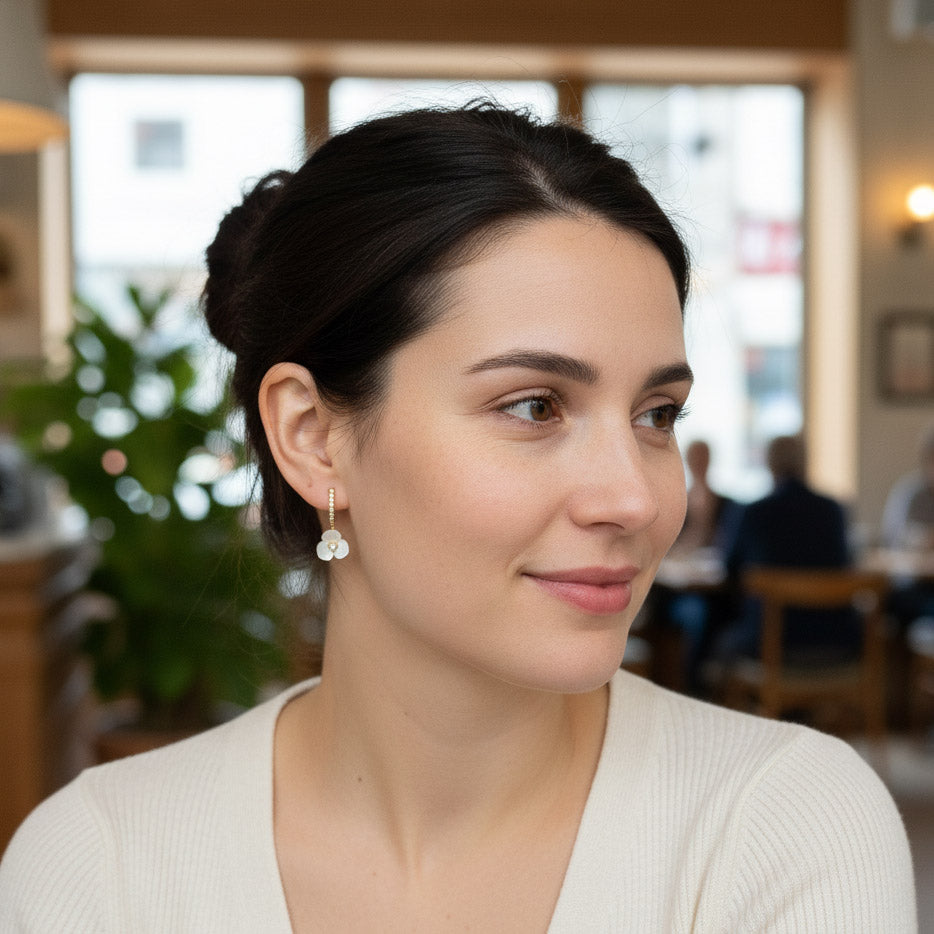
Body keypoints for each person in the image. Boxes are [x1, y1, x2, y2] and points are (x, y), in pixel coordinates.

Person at [0, 104, 915, 931]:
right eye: (534, 406)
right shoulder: (101, 864)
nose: (635, 499)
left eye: (657, 416)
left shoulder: (781, 827)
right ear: (314, 437)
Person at [718, 434, 857, 663]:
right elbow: (845, 564)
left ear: (770, 464)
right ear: (805, 462)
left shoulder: (754, 512)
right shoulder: (833, 511)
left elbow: (729, 569)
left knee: (720, 635)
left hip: (768, 643)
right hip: (834, 639)